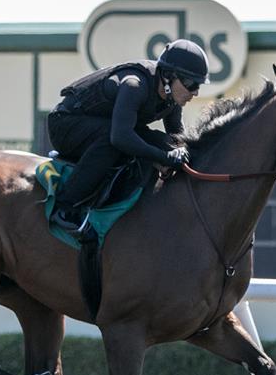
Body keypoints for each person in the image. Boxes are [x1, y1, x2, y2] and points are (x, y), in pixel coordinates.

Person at [46, 39, 210, 232]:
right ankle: (65, 206)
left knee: (164, 142)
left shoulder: (171, 98)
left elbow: (176, 137)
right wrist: (164, 158)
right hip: (64, 126)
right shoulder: (134, 84)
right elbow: (120, 137)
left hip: (102, 127)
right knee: (115, 139)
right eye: (191, 84)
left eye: (198, 85)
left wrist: (181, 152)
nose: (196, 92)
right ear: (167, 76)